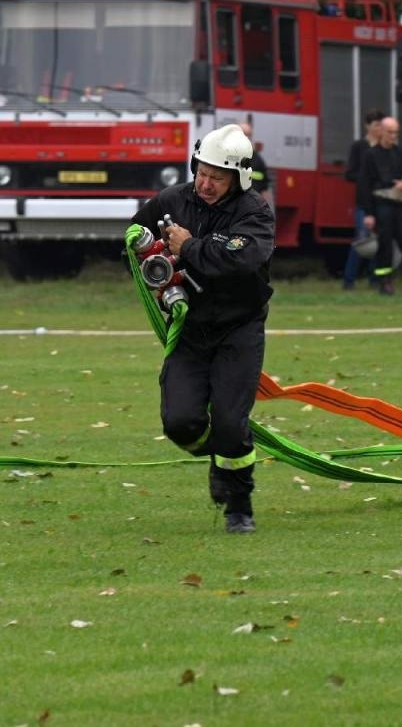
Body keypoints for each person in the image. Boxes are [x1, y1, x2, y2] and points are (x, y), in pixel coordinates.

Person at [130, 123, 274, 534]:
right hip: (190, 327)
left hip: (238, 330)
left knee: (231, 424)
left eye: (218, 177)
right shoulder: (172, 200)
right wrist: (146, 249)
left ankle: (238, 504)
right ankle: (217, 454)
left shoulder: (255, 213)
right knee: (179, 422)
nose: (206, 184)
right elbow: (133, 233)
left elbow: (241, 258)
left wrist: (188, 247)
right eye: (202, 172)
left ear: (239, 177)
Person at [358, 117, 402, 295]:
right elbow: (364, 186)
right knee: (385, 245)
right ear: (381, 131)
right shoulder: (370, 155)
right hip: (381, 205)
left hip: (400, 204)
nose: (393, 136)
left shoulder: (400, 154)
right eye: (390, 132)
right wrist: (368, 213)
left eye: (396, 132)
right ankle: (385, 283)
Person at [342, 108, 385, 291]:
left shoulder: (384, 148)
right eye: (376, 125)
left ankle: (375, 279)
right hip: (363, 200)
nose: (379, 129)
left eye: (381, 126)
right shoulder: (359, 147)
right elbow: (349, 173)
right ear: (367, 126)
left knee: (379, 240)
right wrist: (366, 177)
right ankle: (349, 280)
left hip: (381, 199)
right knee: (362, 239)